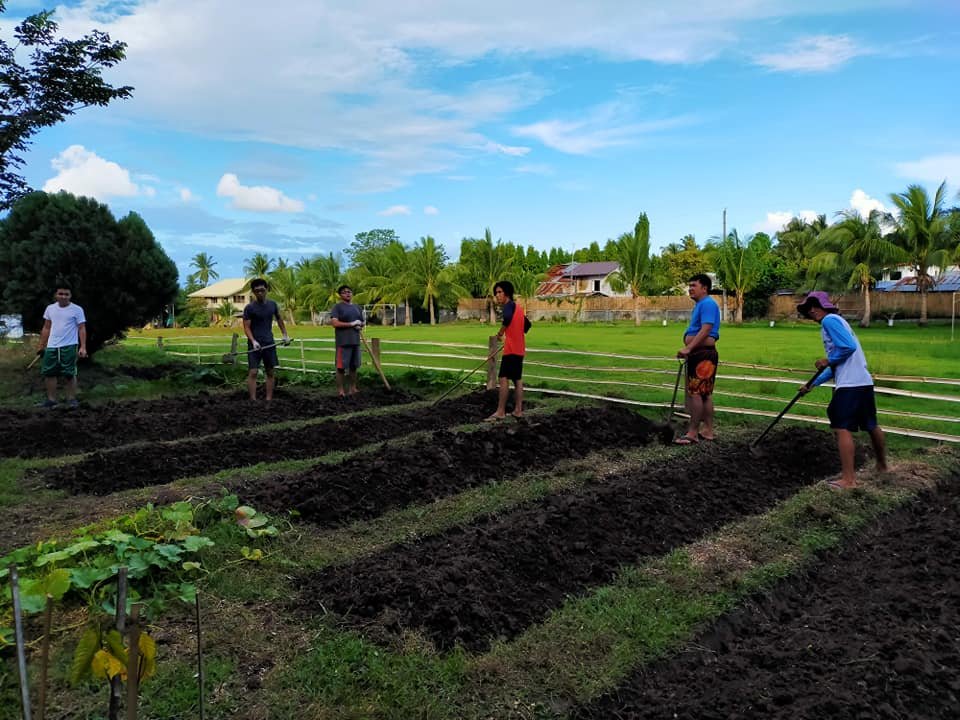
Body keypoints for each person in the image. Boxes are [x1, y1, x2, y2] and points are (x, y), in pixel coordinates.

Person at [796, 291, 887, 490]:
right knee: (871, 424)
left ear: (825, 305)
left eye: (815, 305)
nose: (812, 310)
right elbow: (838, 363)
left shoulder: (830, 320)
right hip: (863, 381)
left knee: (841, 426)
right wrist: (812, 384)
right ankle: (882, 466)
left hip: (850, 385)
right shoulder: (838, 322)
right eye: (808, 308)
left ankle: (848, 480)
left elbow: (847, 347)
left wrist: (827, 359)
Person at [675, 273, 720, 444]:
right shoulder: (703, 304)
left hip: (702, 353)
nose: (690, 289)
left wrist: (689, 347)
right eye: (690, 285)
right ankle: (707, 430)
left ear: (704, 288)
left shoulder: (707, 304)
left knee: (696, 394)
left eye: (694, 285)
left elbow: (706, 329)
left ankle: (692, 433)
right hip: (702, 353)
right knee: (704, 394)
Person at [37, 285, 87, 408]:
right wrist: (41, 345)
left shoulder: (77, 309)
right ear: (56, 295)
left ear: (70, 296)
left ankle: (71, 400)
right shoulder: (50, 309)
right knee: (49, 373)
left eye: (66, 294)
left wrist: (83, 347)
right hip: (52, 346)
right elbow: (46, 327)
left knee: (69, 373)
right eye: (61, 293)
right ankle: (51, 400)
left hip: (69, 345)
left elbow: (81, 328)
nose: (63, 296)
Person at [486, 280, 530, 421]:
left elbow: (507, 318)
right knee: (517, 379)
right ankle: (518, 410)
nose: (497, 295)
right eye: (496, 293)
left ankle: (500, 411)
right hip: (520, 349)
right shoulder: (518, 308)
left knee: (503, 378)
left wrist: (500, 333)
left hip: (511, 350)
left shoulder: (508, 306)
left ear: (507, 293)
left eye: (500, 292)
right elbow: (527, 325)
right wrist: (515, 333)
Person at [242, 278, 290, 401]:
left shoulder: (272, 305)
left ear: (267, 290)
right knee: (253, 372)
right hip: (254, 344)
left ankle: (269, 399)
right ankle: (253, 400)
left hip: (269, 342)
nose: (260, 293)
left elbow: (279, 320)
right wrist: (253, 341)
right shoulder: (249, 308)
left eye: (262, 290)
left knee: (270, 372)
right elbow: (246, 327)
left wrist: (285, 334)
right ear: (253, 292)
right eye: (257, 291)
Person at [330, 284, 364, 396]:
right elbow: (334, 323)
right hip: (343, 342)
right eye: (344, 292)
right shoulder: (337, 307)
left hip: (356, 341)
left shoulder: (357, 307)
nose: (347, 293)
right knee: (341, 368)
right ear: (340, 295)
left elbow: (362, 322)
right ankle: (340, 391)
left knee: (354, 366)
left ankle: (353, 388)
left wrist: (360, 325)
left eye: (349, 291)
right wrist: (351, 324)